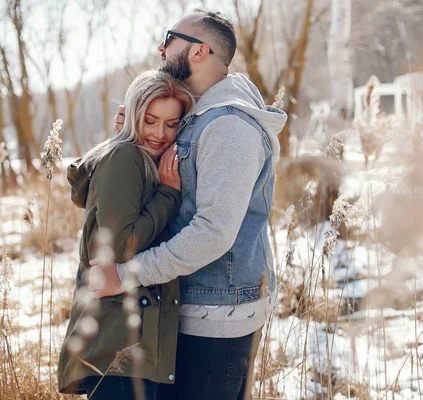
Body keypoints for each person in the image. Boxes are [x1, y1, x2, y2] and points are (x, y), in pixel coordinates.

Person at [90, 8, 287, 400]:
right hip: (189, 306)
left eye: (170, 38)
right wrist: (131, 137)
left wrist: (129, 273)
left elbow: (214, 233)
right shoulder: (198, 116)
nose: (161, 47)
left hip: (216, 317)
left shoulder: (228, 126)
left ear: (200, 51)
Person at [57, 70, 195, 399]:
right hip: (116, 347)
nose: (160, 134)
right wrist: (168, 194)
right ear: (132, 116)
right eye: (149, 120)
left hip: (127, 346)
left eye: (171, 123)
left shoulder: (139, 159)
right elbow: (120, 247)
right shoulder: (125, 157)